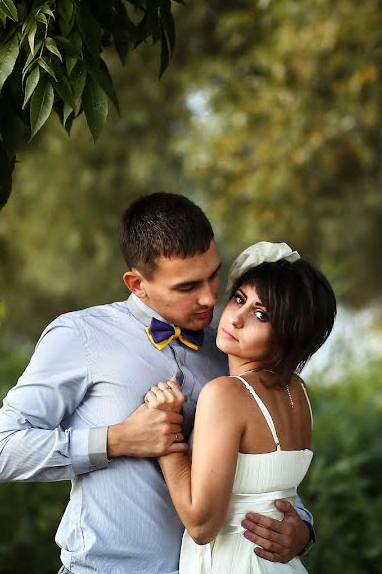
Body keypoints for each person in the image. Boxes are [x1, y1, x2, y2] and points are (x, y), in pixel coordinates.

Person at [0, 193, 316, 574]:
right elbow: (1, 454)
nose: (211, 298)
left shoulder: (227, 350)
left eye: (213, 275)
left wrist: (301, 529)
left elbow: (258, 467)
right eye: (188, 287)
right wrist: (117, 439)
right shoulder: (80, 336)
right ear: (137, 283)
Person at [144, 241, 337, 573]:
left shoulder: (226, 394)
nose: (236, 318)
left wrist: (165, 438)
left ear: (287, 334)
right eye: (239, 299)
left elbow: (202, 526)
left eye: (261, 314)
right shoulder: (297, 391)